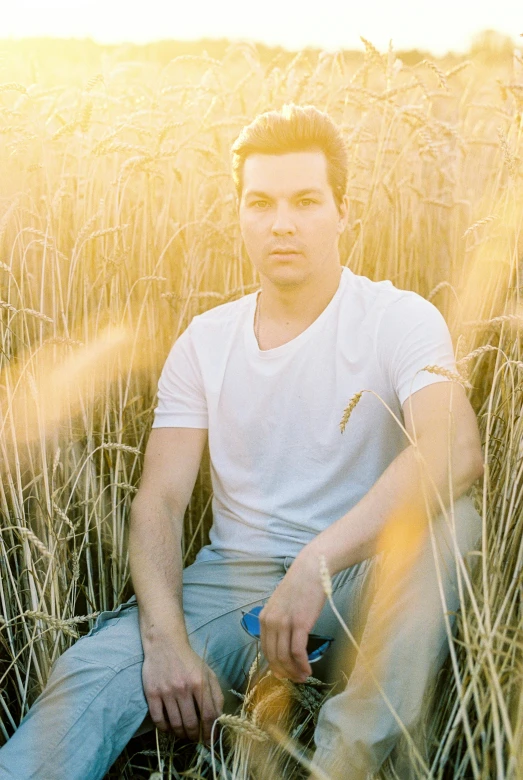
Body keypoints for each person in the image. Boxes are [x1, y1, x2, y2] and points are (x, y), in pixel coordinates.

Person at [0, 104, 483, 780]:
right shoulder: (205, 342)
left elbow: (454, 449)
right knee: (91, 674)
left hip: (365, 573)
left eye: (305, 201)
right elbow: (160, 502)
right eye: (259, 202)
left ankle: (341, 764)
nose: (280, 222)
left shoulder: (397, 318)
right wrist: (165, 639)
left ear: (343, 213)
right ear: (239, 214)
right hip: (235, 585)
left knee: (453, 527)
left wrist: (315, 562)